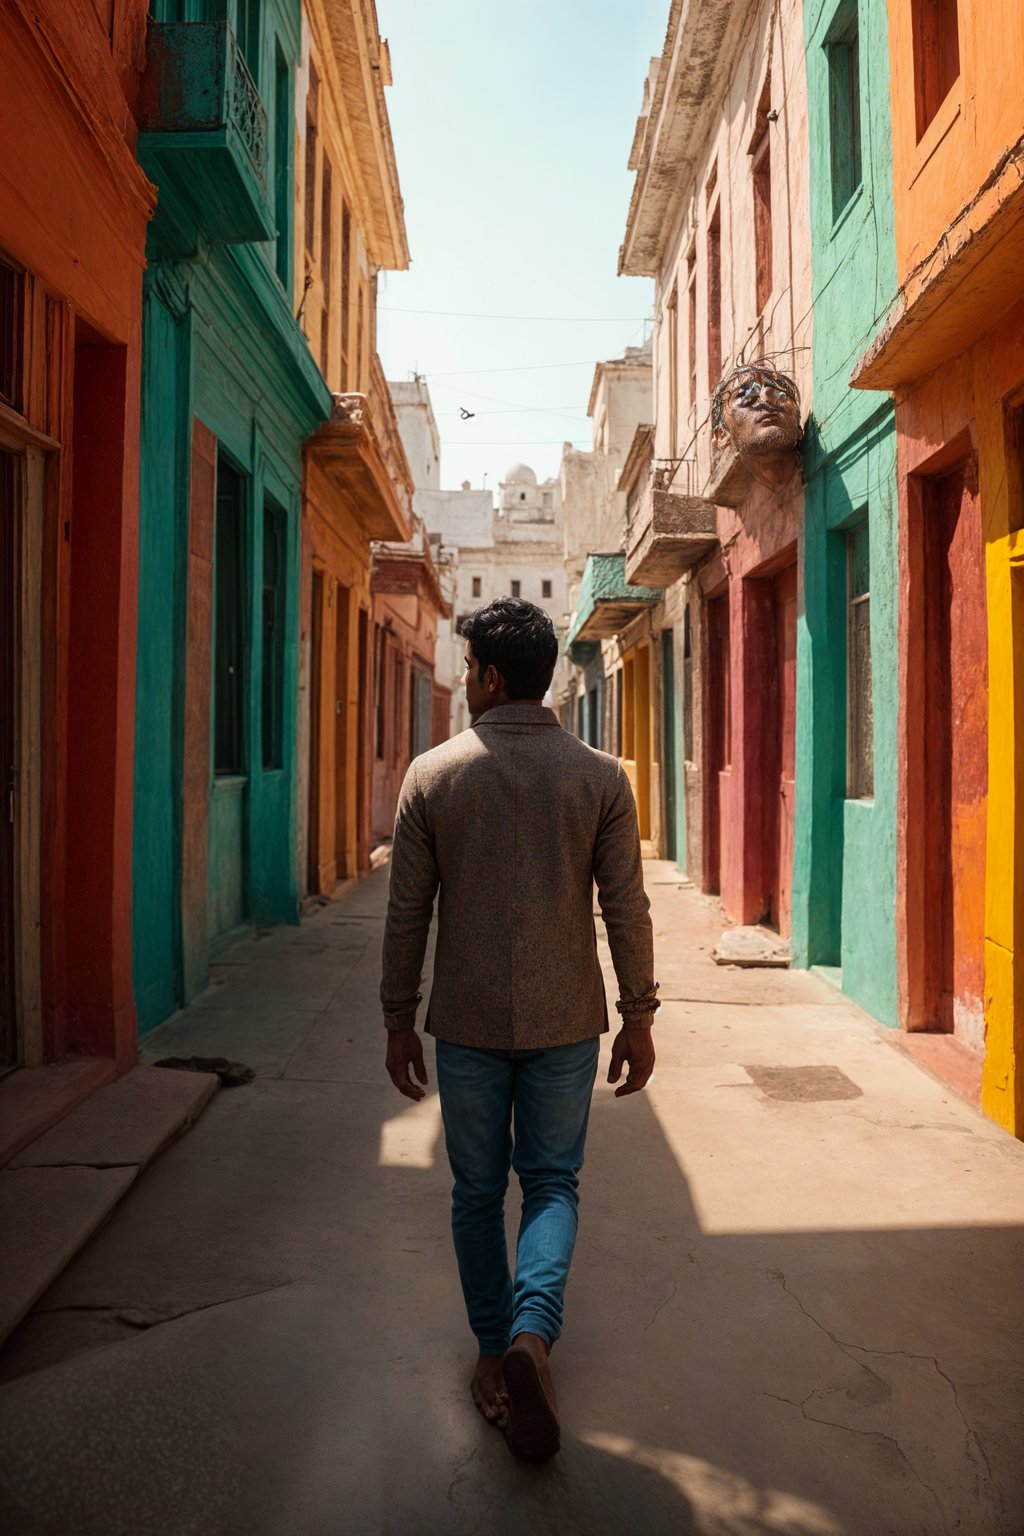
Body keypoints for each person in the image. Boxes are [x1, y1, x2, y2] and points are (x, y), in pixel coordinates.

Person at [380, 597, 658, 1462]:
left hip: (462, 1023)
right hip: (566, 1021)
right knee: (551, 1185)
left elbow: (406, 916)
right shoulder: (601, 778)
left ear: (493, 678)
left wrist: (397, 1018)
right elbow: (627, 909)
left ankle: (494, 1349)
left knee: (474, 1192)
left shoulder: (433, 775)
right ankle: (534, 1338)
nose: (465, 684)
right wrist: (639, 1016)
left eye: (469, 671)